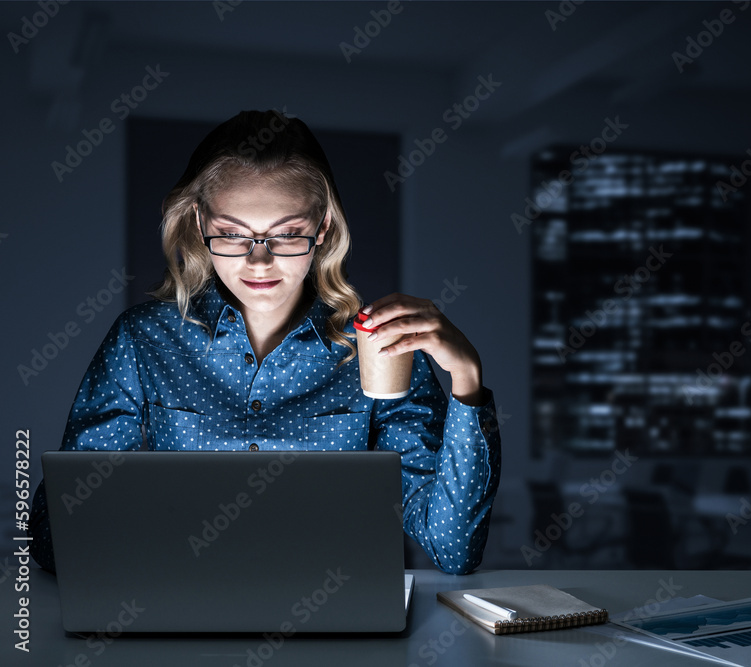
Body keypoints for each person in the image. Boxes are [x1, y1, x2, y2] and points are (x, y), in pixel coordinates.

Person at [28, 109, 501, 575]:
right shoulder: (144, 339)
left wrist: (467, 379)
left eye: (288, 234)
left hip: (338, 622)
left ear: (323, 229)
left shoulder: (379, 347)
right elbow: (58, 539)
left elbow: (453, 549)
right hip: (179, 611)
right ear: (199, 224)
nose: (259, 262)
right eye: (233, 234)